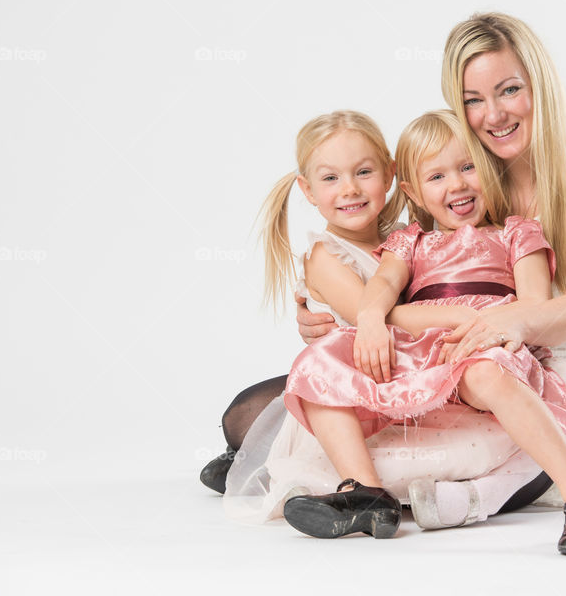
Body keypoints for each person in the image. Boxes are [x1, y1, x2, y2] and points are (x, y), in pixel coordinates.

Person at [293, 12, 566, 555]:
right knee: (286, 400)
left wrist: (497, 321)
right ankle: (358, 491)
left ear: (540, 86)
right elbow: (384, 266)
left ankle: (563, 493)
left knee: (305, 441)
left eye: (510, 90)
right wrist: (340, 312)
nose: (495, 114)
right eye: (474, 100)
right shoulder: (465, 167)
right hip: (431, 363)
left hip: (518, 371)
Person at [221, 110, 526, 523]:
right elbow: (389, 317)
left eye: (363, 172)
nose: (349, 189)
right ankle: (330, 482)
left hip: (415, 377)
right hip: (362, 390)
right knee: (253, 416)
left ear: (390, 175)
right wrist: (464, 313)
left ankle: (249, 460)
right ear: (308, 191)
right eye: (330, 179)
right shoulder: (327, 255)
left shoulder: (407, 235)